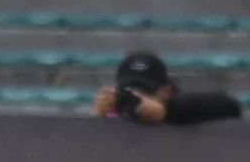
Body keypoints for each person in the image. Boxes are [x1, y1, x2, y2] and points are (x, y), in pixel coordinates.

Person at [93, 51, 243, 125]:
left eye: (146, 91)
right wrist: (95, 120)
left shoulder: (183, 111)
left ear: (166, 90)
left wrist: (166, 111)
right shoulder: (115, 113)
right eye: (130, 91)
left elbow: (231, 106)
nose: (138, 97)